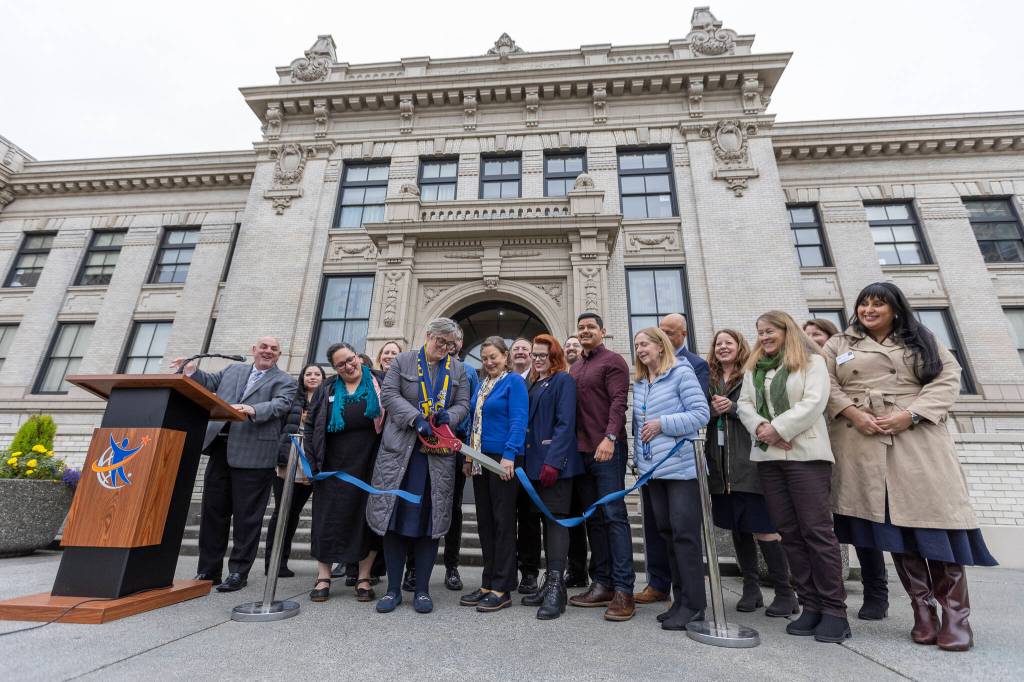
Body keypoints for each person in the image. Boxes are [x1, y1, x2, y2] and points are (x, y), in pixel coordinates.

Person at [824, 282, 997, 652]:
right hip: (862, 439)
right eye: (864, 304)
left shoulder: (923, 339)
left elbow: (949, 379)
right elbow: (825, 384)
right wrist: (853, 412)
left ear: (895, 309)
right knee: (895, 531)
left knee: (936, 523)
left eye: (878, 305)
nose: (869, 311)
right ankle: (923, 611)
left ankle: (956, 616)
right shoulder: (839, 343)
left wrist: (911, 414)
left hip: (917, 438)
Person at [737, 311, 851, 643]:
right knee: (789, 532)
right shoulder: (754, 369)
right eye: (759, 332)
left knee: (816, 532)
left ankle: (834, 611)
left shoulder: (812, 363)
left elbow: (814, 402)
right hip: (769, 459)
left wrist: (778, 428)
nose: (764, 337)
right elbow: (744, 404)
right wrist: (762, 429)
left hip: (806, 457)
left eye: (769, 331)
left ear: (787, 330)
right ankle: (811, 605)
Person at [172, 336, 297, 592]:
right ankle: (208, 570)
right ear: (253, 350)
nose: (268, 351)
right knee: (213, 513)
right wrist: (191, 370)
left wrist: (252, 409)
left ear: (279, 355)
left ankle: (238, 572)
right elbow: (209, 383)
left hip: (255, 454)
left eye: (273, 349)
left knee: (247, 518)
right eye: (263, 347)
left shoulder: (285, 380)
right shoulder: (233, 370)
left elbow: (281, 405)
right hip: (221, 449)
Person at [365, 318, 470, 614]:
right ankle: (393, 590)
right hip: (401, 454)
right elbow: (389, 394)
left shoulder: (458, 369)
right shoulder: (403, 360)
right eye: (441, 342)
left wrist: (450, 416)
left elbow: (463, 403)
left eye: (451, 345)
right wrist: (416, 418)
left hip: (437, 458)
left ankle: (422, 590)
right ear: (428, 336)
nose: (446, 349)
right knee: (394, 521)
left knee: (430, 523)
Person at [705, 329, 797, 616]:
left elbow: (763, 411)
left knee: (765, 528)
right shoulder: (709, 380)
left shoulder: (752, 374)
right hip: (721, 467)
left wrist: (732, 408)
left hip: (750, 462)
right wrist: (710, 410)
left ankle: (785, 591)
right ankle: (751, 587)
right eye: (718, 344)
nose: (722, 347)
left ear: (739, 346)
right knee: (737, 528)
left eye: (728, 343)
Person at [805, 317, 889, 622]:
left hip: (848, 445)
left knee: (861, 522)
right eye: (807, 335)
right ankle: (823, 593)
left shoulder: (840, 362)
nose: (812, 340)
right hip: (813, 452)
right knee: (823, 527)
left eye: (818, 335)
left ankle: (876, 592)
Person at [632, 313, 711, 607]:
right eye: (637, 345)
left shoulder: (682, 372)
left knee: (684, 536)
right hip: (653, 472)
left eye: (645, 344)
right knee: (665, 533)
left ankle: (693, 605)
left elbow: (700, 415)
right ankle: (679, 602)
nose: (640, 350)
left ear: (661, 346)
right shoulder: (641, 381)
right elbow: (639, 427)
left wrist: (663, 423)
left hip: (682, 470)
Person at [302, 343, 384, 603]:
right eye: (341, 364)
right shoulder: (326, 389)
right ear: (334, 368)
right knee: (327, 519)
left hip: (369, 463)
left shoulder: (380, 382)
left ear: (358, 357)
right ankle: (324, 577)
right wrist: (313, 464)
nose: (348, 366)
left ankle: (363, 578)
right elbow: (311, 425)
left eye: (351, 359)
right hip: (332, 465)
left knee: (365, 520)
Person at [567, 313, 635, 622]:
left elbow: (618, 403)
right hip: (581, 453)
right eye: (581, 328)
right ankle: (602, 583)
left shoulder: (614, 361)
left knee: (614, 517)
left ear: (602, 332)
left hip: (607, 449)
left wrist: (610, 437)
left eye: (590, 327)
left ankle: (624, 590)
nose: (584, 332)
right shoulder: (576, 366)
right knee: (593, 519)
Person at [459, 336, 528, 612]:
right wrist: (468, 456)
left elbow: (519, 419)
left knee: (503, 523)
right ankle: (488, 582)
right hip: (478, 460)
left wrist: (510, 454)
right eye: (485, 358)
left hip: (502, 459)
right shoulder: (483, 384)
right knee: (486, 522)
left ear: (505, 356)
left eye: (493, 357)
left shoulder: (514, 382)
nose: (488, 362)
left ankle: (503, 586)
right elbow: (473, 421)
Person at [520, 334, 580, 619]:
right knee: (544, 522)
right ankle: (548, 582)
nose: (538, 359)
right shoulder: (532, 383)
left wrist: (554, 461)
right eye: (535, 354)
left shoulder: (563, 381)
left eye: (543, 355)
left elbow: (566, 423)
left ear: (554, 355)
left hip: (555, 466)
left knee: (556, 522)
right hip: (532, 468)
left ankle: (557, 587)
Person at [263, 363, 323, 578]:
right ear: (302, 377)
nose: (313, 377)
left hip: (313, 462)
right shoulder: (292, 398)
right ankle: (274, 562)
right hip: (287, 460)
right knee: (282, 511)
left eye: (317, 374)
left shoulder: (327, 400)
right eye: (308, 374)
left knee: (295, 511)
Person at [510, 336, 543, 594]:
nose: (520, 352)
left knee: (530, 517)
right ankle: (507, 569)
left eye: (525, 348)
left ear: (532, 355)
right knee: (507, 517)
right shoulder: (504, 381)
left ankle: (530, 572)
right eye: (516, 349)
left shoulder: (539, 381)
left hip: (531, 459)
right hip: (507, 459)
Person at [563, 334, 588, 587]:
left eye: (576, 345)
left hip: (588, 451)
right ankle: (576, 570)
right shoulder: (561, 376)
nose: (571, 348)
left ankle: (599, 573)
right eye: (568, 345)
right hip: (566, 457)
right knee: (570, 516)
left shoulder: (586, 375)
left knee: (591, 515)